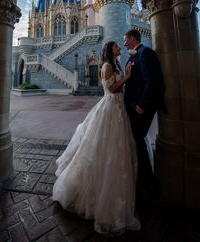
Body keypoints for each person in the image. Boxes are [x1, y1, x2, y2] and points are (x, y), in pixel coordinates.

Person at [52, 41, 141, 235]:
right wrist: (126, 77)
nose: (120, 48)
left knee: (115, 148)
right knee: (104, 146)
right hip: (110, 106)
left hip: (118, 108)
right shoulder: (108, 66)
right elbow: (111, 89)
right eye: (117, 46)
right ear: (110, 50)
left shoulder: (116, 64)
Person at [123, 29, 166, 199]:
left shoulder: (145, 52)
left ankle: (148, 183)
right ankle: (144, 179)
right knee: (137, 140)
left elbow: (153, 81)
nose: (124, 43)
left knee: (138, 140)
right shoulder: (135, 55)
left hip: (141, 106)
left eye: (125, 40)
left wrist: (142, 104)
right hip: (134, 105)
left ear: (133, 39)